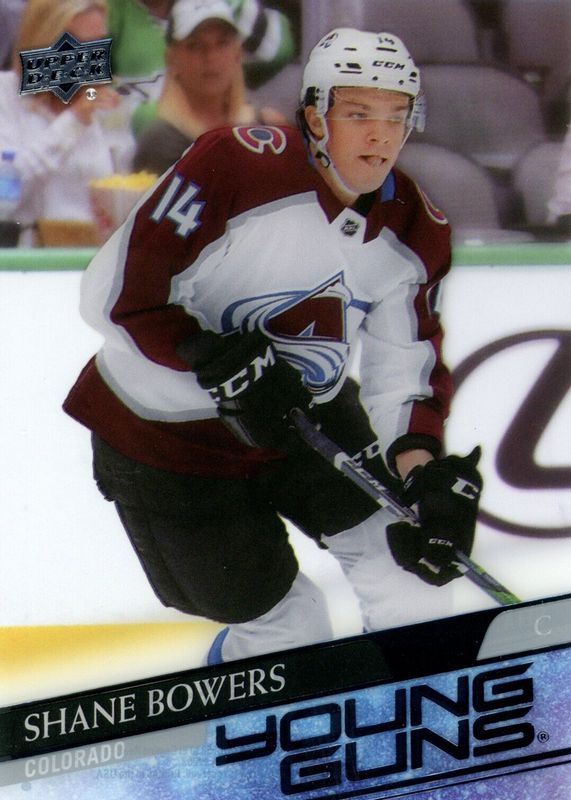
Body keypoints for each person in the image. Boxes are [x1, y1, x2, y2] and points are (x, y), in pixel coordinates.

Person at [64, 28, 483, 665]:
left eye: (396, 116)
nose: (380, 136)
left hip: (301, 415)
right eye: (359, 113)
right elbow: (115, 296)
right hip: (167, 441)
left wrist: (422, 475)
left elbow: (406, 371)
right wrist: (209, 357)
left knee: (410, 576)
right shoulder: (232, 166)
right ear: (314, 115)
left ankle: (409, 706)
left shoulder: (416, 227)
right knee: (290, 631)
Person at [0, 0, 135, 245]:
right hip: (29, 254)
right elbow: (4, 197)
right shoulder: (5, 94)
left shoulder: (100, 100)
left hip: (94, 253)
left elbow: (123, 190)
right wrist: (72, 122)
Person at [132, 0, 288, 175]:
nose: (211, 57)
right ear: (172, 58)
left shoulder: (269, 128)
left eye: (222, 43)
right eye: (194, 46)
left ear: (237, 53)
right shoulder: (160, 142)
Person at [107, 0, 297, 132]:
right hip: (131, 131)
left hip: (221, 119)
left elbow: (280, 48)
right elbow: (91, 92)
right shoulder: (106, 10)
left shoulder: (215, 7)